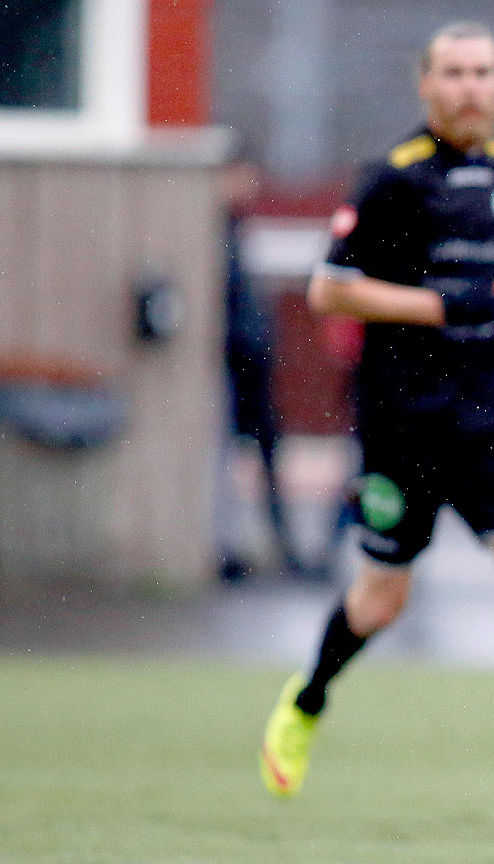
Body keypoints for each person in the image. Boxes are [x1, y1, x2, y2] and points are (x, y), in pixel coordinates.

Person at [258, 21, 494, 831]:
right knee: (381, 598)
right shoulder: (392, 178)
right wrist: (443, 307)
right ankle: (307, 700)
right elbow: (328, 290)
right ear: (425, 85)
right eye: (453, 73)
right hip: (403, 422)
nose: (470, 87)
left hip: (491, 415)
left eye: (483, 71)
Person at [217, 154, 303, 581]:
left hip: (251, 360)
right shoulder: (215, 231)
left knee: (264, 455)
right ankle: (229, 549)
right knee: (227, 458)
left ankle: (282, 546)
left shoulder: (236, 229)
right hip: (231, 362)